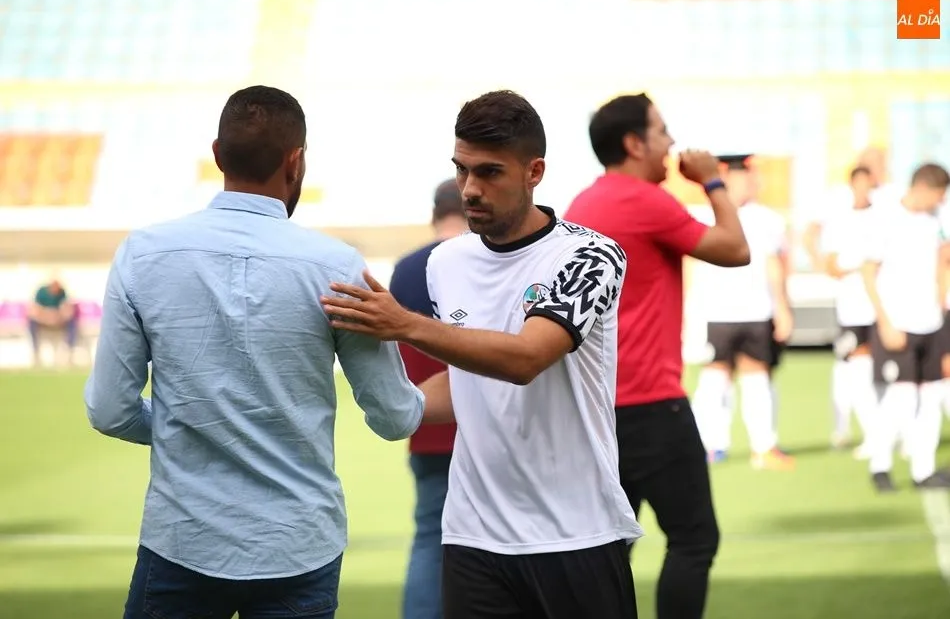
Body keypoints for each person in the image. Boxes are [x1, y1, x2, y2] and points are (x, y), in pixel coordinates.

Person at [84, 85, 428, 619]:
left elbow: (110, 409)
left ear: (217, 155)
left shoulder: (144, 253)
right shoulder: (335, 266)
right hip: (298, 543)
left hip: (183, 539)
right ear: (297, 162)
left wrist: (191, 426)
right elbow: (395, 417)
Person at [322, 90, 641, 619]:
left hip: (575, 532)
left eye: (489, 172)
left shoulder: (590, 255)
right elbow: (469, 378)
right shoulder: (445, 263)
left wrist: (404, 325)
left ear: (534, 170)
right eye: (462, 170)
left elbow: (524, 359)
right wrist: (402, 405)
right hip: (473, 536)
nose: (470, 189)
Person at [561, 93, 749, 619]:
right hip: (651, 403)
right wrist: (712, 181)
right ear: (633, 142)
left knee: (608, 547)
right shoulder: (644, 199)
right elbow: (736, 249)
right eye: (662, 131)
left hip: (595, 410)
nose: (670, 144)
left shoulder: (582, 204)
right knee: (693, 540)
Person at [390, 179, 468, 619]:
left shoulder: (405, 268)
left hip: (427, 424)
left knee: (428, 543)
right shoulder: (481, 261)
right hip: (484, 428)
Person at [690, 154, 795, 470]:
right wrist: (688, 311)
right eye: (746, 177)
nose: (752, 183)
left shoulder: (768, 220)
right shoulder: (701, 214)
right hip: (715, 311)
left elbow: (776, 267)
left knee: (757, 376)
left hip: (756, 310)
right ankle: (709, 445)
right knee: (715, 377)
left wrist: (783, 308)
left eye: (752, 177)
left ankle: (763, 447)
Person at [862, 162, 950, 492]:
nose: (941, 201)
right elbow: (868, 272)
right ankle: (880, 465)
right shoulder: (886, 218)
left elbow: (942, 261)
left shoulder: (936, 221)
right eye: (939, 195)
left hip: (930, 320)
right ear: (923, 189)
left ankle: (922, 470)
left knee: (930, 396)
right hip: (898, 322)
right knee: (900, 397)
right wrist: (884, 321)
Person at [821, 166, 878, 457]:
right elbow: (831, 265)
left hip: (880, 308)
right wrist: (860, 268)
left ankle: (879, 433)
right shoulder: (840, 221)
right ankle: (858, 431)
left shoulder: (883, 218)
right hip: (852, 309)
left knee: (876, 372)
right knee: (853, 369)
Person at [27, 278, 77, 365]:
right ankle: (35, 351)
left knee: (72, 322)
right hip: (43, 318)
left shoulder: (62, 293)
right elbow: (34, 310)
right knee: (31, 322)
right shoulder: (41, 292)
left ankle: (69, 350)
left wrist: (58, 316)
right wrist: (46, 317)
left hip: (57, 319)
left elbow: (67, 309)